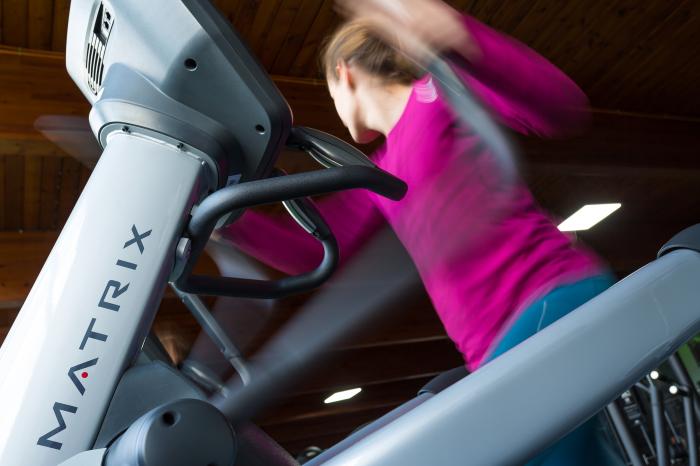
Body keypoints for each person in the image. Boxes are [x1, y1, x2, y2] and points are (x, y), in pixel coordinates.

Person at [219, 0, 624, 464]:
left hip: (545, 300)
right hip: (496, 340)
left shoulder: (437, 92)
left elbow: (560, 108)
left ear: (344, 74)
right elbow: (311, 253)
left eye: (329, 89)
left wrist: (453, 32)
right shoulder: (380, 176)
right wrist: (229, 222)